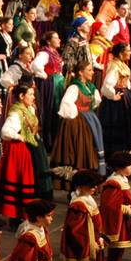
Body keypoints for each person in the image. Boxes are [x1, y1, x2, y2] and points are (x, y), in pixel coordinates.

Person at [0, 85, 52, 221]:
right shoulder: (16, 112)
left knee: (36, 178)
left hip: (33, 147)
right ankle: (18, 215)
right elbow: (5, 131)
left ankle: (33, 212)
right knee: (22, 180)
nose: (33, 97)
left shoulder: (29, 109)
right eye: (30, 94)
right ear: (21, 96)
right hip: (21, 150)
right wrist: (19, 136)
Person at [51, 62, 104, 190]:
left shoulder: (90, 87)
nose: (92, 72)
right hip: (75, 123)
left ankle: (87, 183)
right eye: (89, 70)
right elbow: (66, 104)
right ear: (81, 72)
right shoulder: (74, 87)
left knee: (89, 150)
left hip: (89, 121)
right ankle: (75, 185)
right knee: (78, 152)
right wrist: (77, 115)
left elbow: (95, 102)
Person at [99, 152, 131, 261]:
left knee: (118, 257)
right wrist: (125, 208)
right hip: (116, 226)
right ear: (121, 168)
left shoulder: (122, 179)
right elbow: (109, 206)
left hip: (123, 224)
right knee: (113, 258)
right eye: (129, 166)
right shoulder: (114, 183)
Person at [98, 44, 131, 156]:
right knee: (117, 123)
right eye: (128, 51)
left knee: (127, 123)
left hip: (125, 97)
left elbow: (127, 83)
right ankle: (116, 152)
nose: (130, 53)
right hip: (117, 102)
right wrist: (113, 96)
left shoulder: (122, 65)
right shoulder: (114, 66)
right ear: (121, 53)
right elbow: (106, 85)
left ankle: (125, 149)